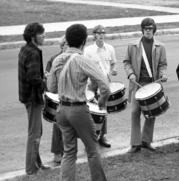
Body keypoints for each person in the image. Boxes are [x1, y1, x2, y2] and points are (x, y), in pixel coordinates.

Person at [48, 24, 110, 181]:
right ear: (84, 41)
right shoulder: (83, 61)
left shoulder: (57, 60)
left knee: (69, 152)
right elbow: (105, 85)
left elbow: (51, 88)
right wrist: (102, 102)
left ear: (67, 40)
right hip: (78, 110)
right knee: (92, 149)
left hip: (61, 110)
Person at [123, 17, 168, 153]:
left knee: (152, 113)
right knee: (135, 112)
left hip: (153, 83)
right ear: (142, 30)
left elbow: (163, 64)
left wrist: (163, 74)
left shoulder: (160, 46)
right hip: (138, 84)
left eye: (150, 28)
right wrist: (130, 74)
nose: (148, 31)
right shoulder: (133, 46)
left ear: (154, 30)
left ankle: (146, 141)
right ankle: (135, 144)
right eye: (146, 28)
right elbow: (126, 62)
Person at [18, 22, 50, 175]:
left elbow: (31, 73)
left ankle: (37, 164)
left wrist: (41, 77)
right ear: (33, 37)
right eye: (41, 33)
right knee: (34, 133)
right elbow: (33, 77)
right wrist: (45, 82)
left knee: (37, 131)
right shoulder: (33, 53)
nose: (44, 35)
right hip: (33, 98)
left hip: (28, 97)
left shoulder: (25, 49)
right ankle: (31, 169)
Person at [84, 25, 118, 148]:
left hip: (105, 83)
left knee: (103, 111)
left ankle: (102, 136)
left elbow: (114, 63)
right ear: (94, 35)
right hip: (92, 84)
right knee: (91, 112)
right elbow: (85, 67)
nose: (102, 35)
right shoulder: (88, 50)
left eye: (103, 33)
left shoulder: (110, 48)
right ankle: (91, 137)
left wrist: (113, 70)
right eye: (99, 33)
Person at [45, 35, 67, 165]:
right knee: (57, 126)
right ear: (62, 46)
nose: (68, 47)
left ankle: (66, 152)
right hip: (57, 96)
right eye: (66, 45)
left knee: (68, 127)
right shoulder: (54, 59)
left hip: (69, 96)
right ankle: (57, 153)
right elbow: (48, 77)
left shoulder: (72, 58)